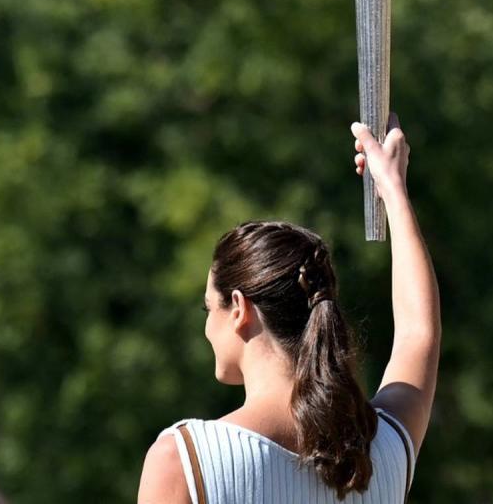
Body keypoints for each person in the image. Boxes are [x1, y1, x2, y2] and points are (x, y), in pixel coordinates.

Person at [138, 115, 441, 503]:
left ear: (237, 308)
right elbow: (419, 333)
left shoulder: (185, 460)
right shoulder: (382, 453)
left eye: (207, 310)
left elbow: (420, 334)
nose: (206, 330)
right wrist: (394, 189)